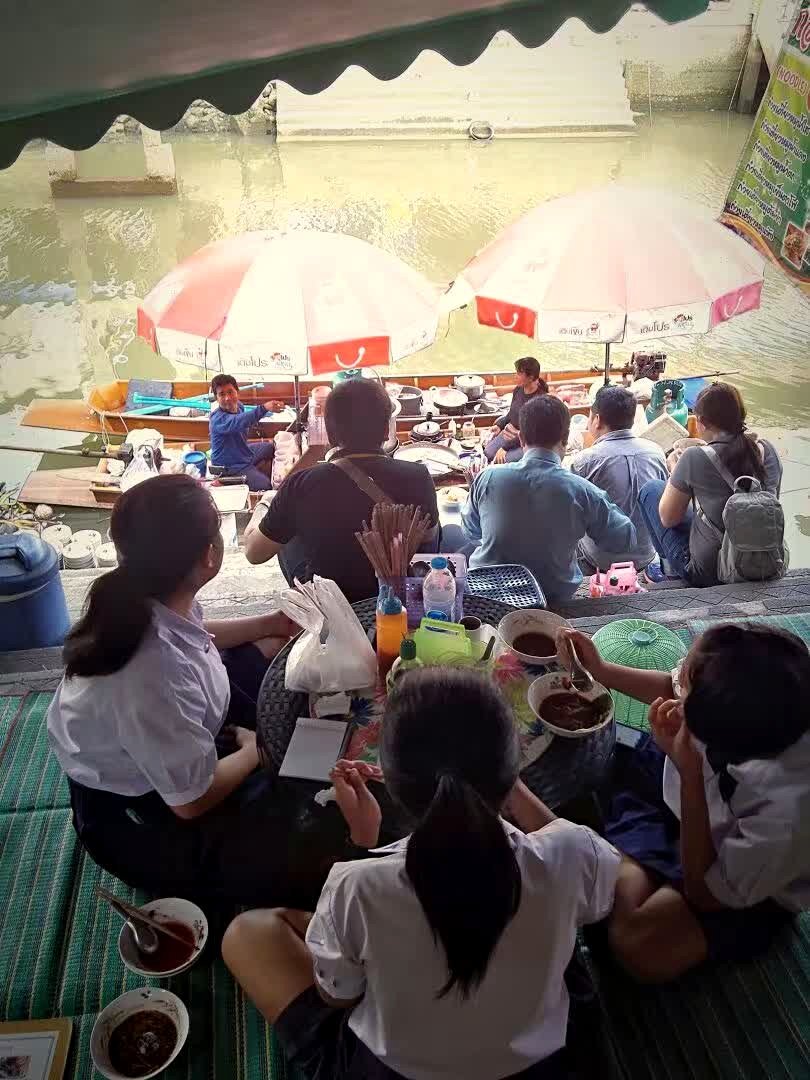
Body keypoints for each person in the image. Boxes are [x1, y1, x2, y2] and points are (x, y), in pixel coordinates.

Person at [222, 668, 621, 1079]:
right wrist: (505, 779)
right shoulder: (571, 855)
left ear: (392, 785)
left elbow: (338, 995)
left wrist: (362, 844)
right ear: (510, 768)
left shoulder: (356, 886)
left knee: (244, 935)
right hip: (541, 1066)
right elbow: (586, 866)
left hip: (396, 1072)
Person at [46, 473, 317, 907]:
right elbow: (190, 802)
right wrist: (256, 750)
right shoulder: (153, 676)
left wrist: (268, 622)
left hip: (172, 736)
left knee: (272, 651)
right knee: (297, 830)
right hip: (138, 812)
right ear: (210, 555)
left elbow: (195, 634)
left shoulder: (148, 595)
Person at [558, 623, 810, 983]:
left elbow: (703, 893)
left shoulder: (786, 818)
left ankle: (625, 852)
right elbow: (674, 686)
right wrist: (601, 670)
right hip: (680, 777)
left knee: (637, 943)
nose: (676, 685)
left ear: (711, 730)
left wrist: (690, 774)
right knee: (604, 763)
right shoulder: (757, 702)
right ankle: (632, 854)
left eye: (685, 689)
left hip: (744, 875)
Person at [244, 378, 463, 602]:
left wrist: (265, 504)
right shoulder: (418, 476)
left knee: (284, 527)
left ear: (330, 434)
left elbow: (254, 553)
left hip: (331, 602)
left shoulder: (301, 484)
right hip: (397, 595)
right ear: (386, 430)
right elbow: (428, 537)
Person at [463, 395, 637, 605]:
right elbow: (624, 540)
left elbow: (471, 532)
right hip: (551, 601)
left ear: (521, 439)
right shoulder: (582, 491)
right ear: (565, 440)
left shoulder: (487, 477)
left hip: (488, 597)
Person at [638, 382, 782, 584]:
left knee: (651, 489)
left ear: (702, 422)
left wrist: (674, 471)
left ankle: (670, 572)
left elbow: (668, 519)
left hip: (711, 574)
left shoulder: (693, 457)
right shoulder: (768, 450)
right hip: (765, 563)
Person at [571, 386, 667, 573]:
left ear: (597, 420)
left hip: (601, 560)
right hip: (646, 555)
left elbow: (572, 515)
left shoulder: (584, 461)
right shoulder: (656, 452)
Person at [209, 374, 285, 491]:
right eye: (221, 394)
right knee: (265, 486)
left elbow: (245, 419)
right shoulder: (217, 420)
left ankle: (249, 470)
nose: (227, 398)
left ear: (237, 392)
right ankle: (225, 481)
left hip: (243, 452)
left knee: (270, 447)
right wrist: (264, 408)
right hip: (229, 466)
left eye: (230, 392)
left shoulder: (239, 406)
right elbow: (240, 420)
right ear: (216, 398)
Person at [485, 356, 548, 464]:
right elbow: (512, 413)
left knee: (499, 462)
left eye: (519, 373)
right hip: (511, 433)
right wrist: (500, 425)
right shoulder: (518, 390)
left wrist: (505, 448)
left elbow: (528, 433)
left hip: (527, 441)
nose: (515, 376)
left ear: (531, 377)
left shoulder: (540, 401)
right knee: (487, 453)